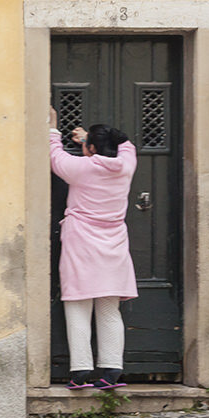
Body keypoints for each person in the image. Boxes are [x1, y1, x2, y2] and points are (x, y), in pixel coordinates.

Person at [48, 109, 138, 391]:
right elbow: (127, 145)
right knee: (109, 309)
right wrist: (90, 138)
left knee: (78, 305)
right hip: (114, 244)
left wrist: (53, 128)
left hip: (81, 243)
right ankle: (111, 370)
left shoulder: (82, 168)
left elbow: (55, 156)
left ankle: (81, 371)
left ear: (91, 150)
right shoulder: (125, 166)